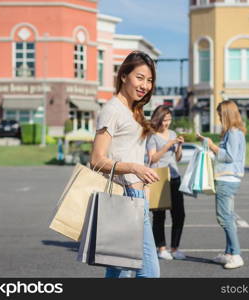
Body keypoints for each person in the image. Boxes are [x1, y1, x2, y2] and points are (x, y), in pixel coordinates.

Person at [89, 51, 161, 278]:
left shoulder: (134, 110)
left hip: (136, 195)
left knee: (118, 269)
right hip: (124, 194)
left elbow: (132, 150)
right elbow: (96, 160)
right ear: (123, 76)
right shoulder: (112, 109)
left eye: (149, 80)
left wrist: (142, 181)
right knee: (148, 273)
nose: (145, 85)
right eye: (139, 78)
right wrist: (134, 168)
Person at [197, 100, 246, 269]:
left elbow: (229, 156)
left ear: (226, 114)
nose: (218, 118)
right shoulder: (236, 132)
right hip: (230, 179)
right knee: (228, 217)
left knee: (224, 218)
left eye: (220, 114)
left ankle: (236, 255)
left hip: (227, 179)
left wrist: (212, 146)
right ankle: (229, 253)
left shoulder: (232, 132)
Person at [146, 105, 186, 260]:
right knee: (159, 215)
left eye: (169, 120)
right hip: (158, 177)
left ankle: (175, 248)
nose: (166, 123)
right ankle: (161, 248)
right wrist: (167, 146)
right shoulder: (152, 136)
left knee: (179, 214)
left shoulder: (173, 133)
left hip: (174, 177)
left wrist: (179, 147)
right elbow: (152, 158)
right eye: (164, 120)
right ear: (158, 119)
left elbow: (178, 158)